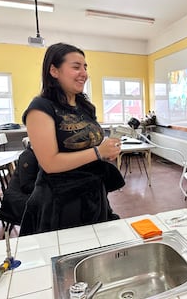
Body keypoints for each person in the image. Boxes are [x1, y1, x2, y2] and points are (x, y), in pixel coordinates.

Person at [20, 42, 125, 236]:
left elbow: (88, 148)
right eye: (76, 67)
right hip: (60, 203)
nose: (83, 73)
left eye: (85, 67)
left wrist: (105, 152)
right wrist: (97, 152)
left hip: (92, 195)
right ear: (54, 70)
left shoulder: (84, 106)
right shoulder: (40, 108)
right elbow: (50, 163)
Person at [0, 142, 39, 226]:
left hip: (19, 197)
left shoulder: (36, 154)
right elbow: (26, 186)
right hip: (15, 202)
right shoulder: (28, 156)